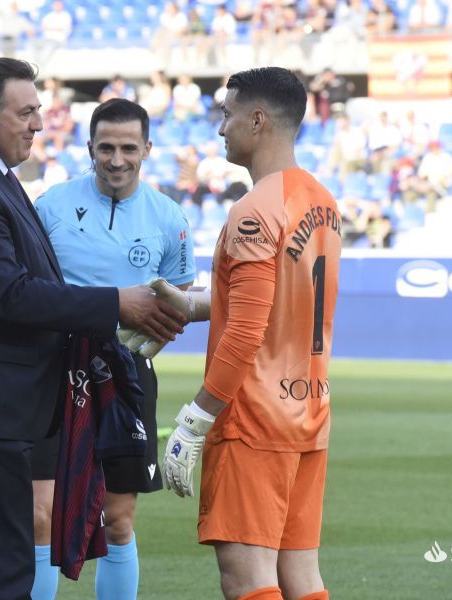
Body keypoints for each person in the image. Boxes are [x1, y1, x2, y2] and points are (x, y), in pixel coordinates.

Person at [0, 57, 186, 599]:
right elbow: (8, 294)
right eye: (28, 112)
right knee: (1, 572)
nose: (39, 123)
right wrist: (116, 305)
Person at [160, 67, 341, 600]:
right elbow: (278, 298)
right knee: (300, 577)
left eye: (227, 114)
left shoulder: (254, 210)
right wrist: (191, 306)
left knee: (248, 579)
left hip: (254, 418)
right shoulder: (322, 201)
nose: (221, 129)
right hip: (308, 410)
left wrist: (196, 419)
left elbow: (246, 327)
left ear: (257, 120)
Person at [29, 98, 198, 600]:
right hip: (50, 370)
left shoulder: (170, 218)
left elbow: (180, 300)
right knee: (39, 513)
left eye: (129, 147)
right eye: (106, 147)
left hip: (126, 374)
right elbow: (29, 290)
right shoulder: (51, 206)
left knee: (118, 519)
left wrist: (155, 337)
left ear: (147, 148)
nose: (117, 159)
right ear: (89, 148)